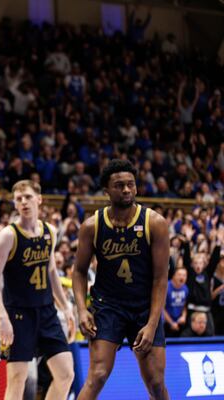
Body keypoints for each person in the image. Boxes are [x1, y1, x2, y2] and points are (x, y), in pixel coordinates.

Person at [72, 159, 169, 400]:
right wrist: (82, 310)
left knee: (156, 384)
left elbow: (160, 278)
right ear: (106, 190)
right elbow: (79, 271)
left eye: (130, 184)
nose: (126, 189)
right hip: (108, 305)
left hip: (144, 306)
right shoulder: (91, 226)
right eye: (119, 185)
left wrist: (152, 324)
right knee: (98, 374)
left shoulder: (155, 223)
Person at [0, 180, 75, 400]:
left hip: (46, 312)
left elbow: (51, 271)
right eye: (19, 199)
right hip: (18, 314)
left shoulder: (50, 231)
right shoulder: (8, 235)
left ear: (39, 199)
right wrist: (2, 317)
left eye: (27, 197)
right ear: (15, 205)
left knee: (66, 374)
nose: (24, 202)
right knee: (17, 379)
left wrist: (66, 308)